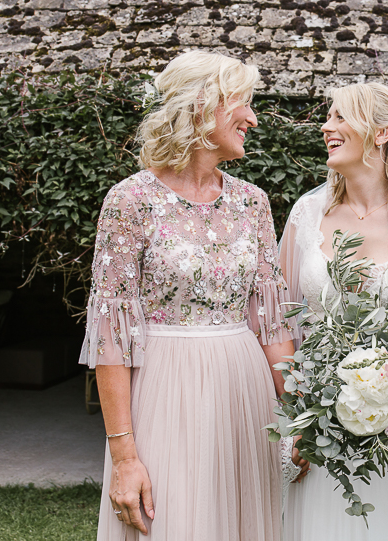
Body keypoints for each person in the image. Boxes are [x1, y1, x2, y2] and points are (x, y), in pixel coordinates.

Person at [79, 50, 297, 540]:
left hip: (245, 396)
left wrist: (301, 413)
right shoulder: (130, 200)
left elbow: (271, 323)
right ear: (203, 108)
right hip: (164, 392)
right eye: (242, 103)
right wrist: (125, 457)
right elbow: (111, 338)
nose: (253, 118)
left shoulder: (252, 202)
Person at [278, 82, 388, 541]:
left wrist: (384, 389)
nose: (327, 126)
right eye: (329, 116)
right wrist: (298, 416)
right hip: (313, 429)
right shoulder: (306, 214)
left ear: (381, 133)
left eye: (340, 117)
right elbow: (277, 320)